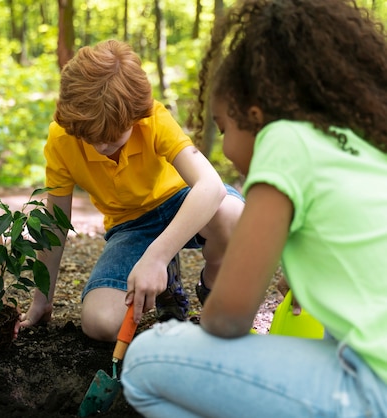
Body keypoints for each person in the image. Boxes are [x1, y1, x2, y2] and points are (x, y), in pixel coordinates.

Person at [121, 0, 387, 416]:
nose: (224, 147)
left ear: (256, 115)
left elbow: (227, 319)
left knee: (145, 361)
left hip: (370, 389)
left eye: (224, 127)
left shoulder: (283, 142)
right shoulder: (358, 146)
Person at [18, 39, 244, 342]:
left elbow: (210, 187)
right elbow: (56, 222)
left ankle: (214, 284)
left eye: (113, 137)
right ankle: (166, 284)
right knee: (100, 324)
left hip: (182, 204)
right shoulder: (61, 139)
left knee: (232, 214)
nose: (101, 146)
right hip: (130, 228)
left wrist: (156, 257)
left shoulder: (153, 118)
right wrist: (42, 299)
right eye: (90, 137)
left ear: (136, 115)